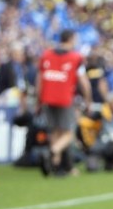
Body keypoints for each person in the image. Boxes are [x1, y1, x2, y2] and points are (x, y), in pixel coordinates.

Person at [37, 29, 92, 176]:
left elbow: (39, 80)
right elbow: (84, 82)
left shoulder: (46, 55)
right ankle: (51, 152)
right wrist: (88, 101)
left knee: (55, 131)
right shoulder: (76, 57)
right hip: (65, 98)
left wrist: (39, 100)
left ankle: (54, 165)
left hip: (47, 98)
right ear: (72, 39)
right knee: (68, 133)